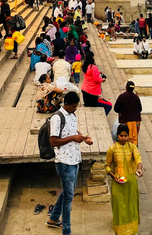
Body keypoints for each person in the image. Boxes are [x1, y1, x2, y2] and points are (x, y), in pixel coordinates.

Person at [47, 92, 93, 234]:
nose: (75, 109)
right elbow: (53, 141)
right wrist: (73, 138)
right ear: (66, 104)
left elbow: (72, 130)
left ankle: (53, 218)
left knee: (68, 192)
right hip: (64, 162)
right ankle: (66, 230)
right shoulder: (57, 118)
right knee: (69, 199)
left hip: (74, 159)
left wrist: (83, 137)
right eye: (73, 106)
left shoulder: (72, 115)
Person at [105, 124, 143, 235]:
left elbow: (138, 159)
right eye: (121, 136)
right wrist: (113, 175)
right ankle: (120, 231)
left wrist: (139, 169)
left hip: (131, 182)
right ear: (117, 136)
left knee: (131, 206)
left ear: (128, 136)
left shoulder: (132, 147)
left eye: (125, 136)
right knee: (119, 207)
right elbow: (107, 165)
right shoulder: (112, 149)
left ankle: (132, 230)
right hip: (118, 182)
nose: (123, 138)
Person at [114, 81, 143, 146]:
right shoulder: (136, 97)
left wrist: (121, 112)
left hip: (125, 121)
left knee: (126, 138)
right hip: (136, 122)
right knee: (134, 138)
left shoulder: (122, 97)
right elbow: (140, 109)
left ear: (126, 87)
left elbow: (115, 108)